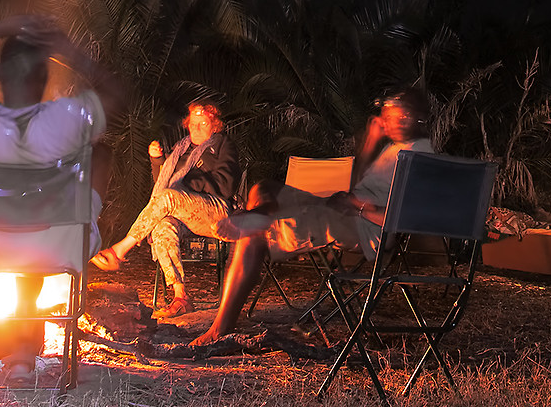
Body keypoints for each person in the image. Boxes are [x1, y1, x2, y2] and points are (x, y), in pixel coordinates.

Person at [0, 17, 111, 377]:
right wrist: (69, 50)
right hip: (61, 249)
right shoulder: (67, 121)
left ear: (0, 75)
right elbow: (120, 91)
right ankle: (24, 355)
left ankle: (20, 356)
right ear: (44, 77)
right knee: (101, 154)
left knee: (21, 226)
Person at [186, 85, 437, 348]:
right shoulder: (397, 148)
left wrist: (358, 205)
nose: (389, 121)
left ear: (416, 117)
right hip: (348, 208)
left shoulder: (419, 155)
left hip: (366, 227)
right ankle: (259, 216)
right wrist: (371, 143)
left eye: (398, 115)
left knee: (254, 236)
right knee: (264, 188)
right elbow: (357, 183)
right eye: (388, 115)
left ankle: (219, 329)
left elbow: (402, 216)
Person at [88, 97, 241, 319]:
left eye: (204, 124)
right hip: (185, 212)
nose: (197, 128)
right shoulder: (181, 149)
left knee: (170, 197)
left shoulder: (222, 145)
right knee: (162, 228)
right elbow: (163, 186)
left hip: (217, 212)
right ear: (187, 123)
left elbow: (225, 185)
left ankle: (119, 251)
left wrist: (188, 185)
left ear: (214, 125)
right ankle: (181, 297)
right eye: (194, 123)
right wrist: (158, 160)